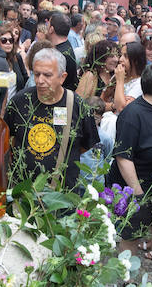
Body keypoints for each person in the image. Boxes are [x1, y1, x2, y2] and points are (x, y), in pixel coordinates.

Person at [108, 61, 152, 278]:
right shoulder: (132, 115)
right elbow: (123, 158)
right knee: (131, 238)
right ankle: (126, 283)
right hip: (136, 191)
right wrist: (138, 195)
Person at [5, 48, 99, 190]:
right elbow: (7, 138)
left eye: (47, 75)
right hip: (23, 193)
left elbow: (86, 144)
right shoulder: (20, 101)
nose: (40, 81)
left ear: (62, 77)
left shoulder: (77, 106)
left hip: (61, 196)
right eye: (37, 74)